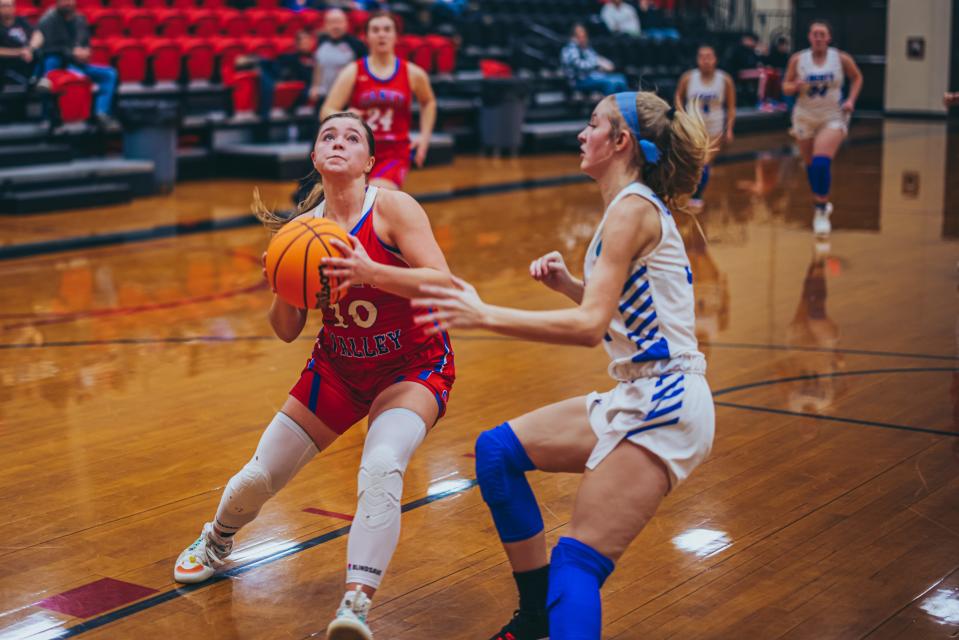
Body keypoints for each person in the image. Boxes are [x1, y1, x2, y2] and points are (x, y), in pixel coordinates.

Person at [412, 91, 715, 640]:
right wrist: (570, 287)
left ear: (620, 141)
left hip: (665, 400)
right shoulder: (629, 206)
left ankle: (546, 618)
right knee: (497, 452)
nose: (582, 133)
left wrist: (483, 315)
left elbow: (588, 330)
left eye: (593, 124)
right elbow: (627, 314)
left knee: (576, 562)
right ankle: (533, 620)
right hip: (640, 391)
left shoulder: (631, 209)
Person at [172, 112, 456, 640]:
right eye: (329, 135)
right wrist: (281, 287)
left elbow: (443, 283)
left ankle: (355, 604)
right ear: (315, 157)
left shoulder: (393, 208)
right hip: (339, 368)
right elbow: (286, 331)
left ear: (369, 162)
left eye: (352, 137)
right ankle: (216, 537)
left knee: (381, 465)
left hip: (411, 366)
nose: (339, 142)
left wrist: (371, 271)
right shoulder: (300, 232)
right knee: (258, 477)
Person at [321, 11, 436, 190]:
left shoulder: (412, 73)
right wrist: (347, 117)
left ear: (396, 36)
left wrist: (424, 138)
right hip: (358, 151)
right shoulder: (353, 71)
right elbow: (326, 110)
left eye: (387, 29)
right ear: (366, 37)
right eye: (375, 30)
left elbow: (428, 102)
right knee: (357, 207)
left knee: (376, 194)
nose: (381, 34)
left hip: (394, 153)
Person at [782, 20, 863, 235]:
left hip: (832, 116)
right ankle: (821, 200)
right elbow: (785, 87)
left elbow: (857, 78)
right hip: (805, 116)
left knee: (820, 163)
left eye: (822, 34)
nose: (818, 37)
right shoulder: (798, 59)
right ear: (809, 37)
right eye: (815, 34)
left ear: (828, 38)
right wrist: (795, 86)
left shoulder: (841, 58)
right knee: (810, 165)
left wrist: (851, 101)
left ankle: (820, 210)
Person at [37, 0, 117, 124]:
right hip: (58, 63)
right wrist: (72, 53)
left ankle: (101, 113)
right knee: (50, 64)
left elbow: (86, 42)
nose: (67, 3)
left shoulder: (80, 20)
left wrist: (86, 52)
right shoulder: (48, 20)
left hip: (78, 63)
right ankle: (49, 116)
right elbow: (48, 48)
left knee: (109, 74)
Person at [675, 44, 735, 209]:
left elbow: (730, 107)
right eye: (702, 57)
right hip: (693, 127)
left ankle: (697, 196)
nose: (706, 60)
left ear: (715, 59)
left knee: (704, 162)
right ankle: (691, 190)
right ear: (697, 59)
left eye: (709, 57)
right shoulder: (688, 78)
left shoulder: (725, 80)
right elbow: (678, 97)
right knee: (693, 162)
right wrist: (682, 114)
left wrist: (729, 129)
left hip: (715, 127)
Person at [254, 28, 316, 119]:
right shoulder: (289, 57)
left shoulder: (318, 59)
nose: (305, 44)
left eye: (307, 41)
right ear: (297, 44)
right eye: (302, 41)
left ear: (311, 42)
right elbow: (270, 64)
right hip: (296, 91)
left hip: (312, 89)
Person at [309, 8, 367, 104]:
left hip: (347, 99)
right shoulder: (321, 41)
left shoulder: (357, 45)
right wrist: (315, 86)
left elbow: (364, 72)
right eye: (331, 22)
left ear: (346, 24)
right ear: (325, 25)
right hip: (323, 97)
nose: (335, 26)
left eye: (339, 22)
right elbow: (318, 66)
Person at [560, 23, 629, 96]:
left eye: (584, 35)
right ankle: (607, 106)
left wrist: (605, 63)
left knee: (620, 78)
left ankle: (622, 105)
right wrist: (597, 64)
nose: (583, 37)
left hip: (591, 76)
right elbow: (579, 65)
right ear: (573, 37)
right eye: (579, 35)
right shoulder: (570, 49)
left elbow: (596, 57)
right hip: (579, 80)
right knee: (611, 83)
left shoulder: (585, 48)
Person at [0, 0, 44, 90]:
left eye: (9, 6)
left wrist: (30, 49)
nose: (6, 9)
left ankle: (35, 79)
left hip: (27, 56)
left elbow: (38, 35)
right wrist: (20, 52)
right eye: (3, 6)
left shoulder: (21, 21)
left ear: (14, 7)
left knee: (41, 53)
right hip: (7, 63)